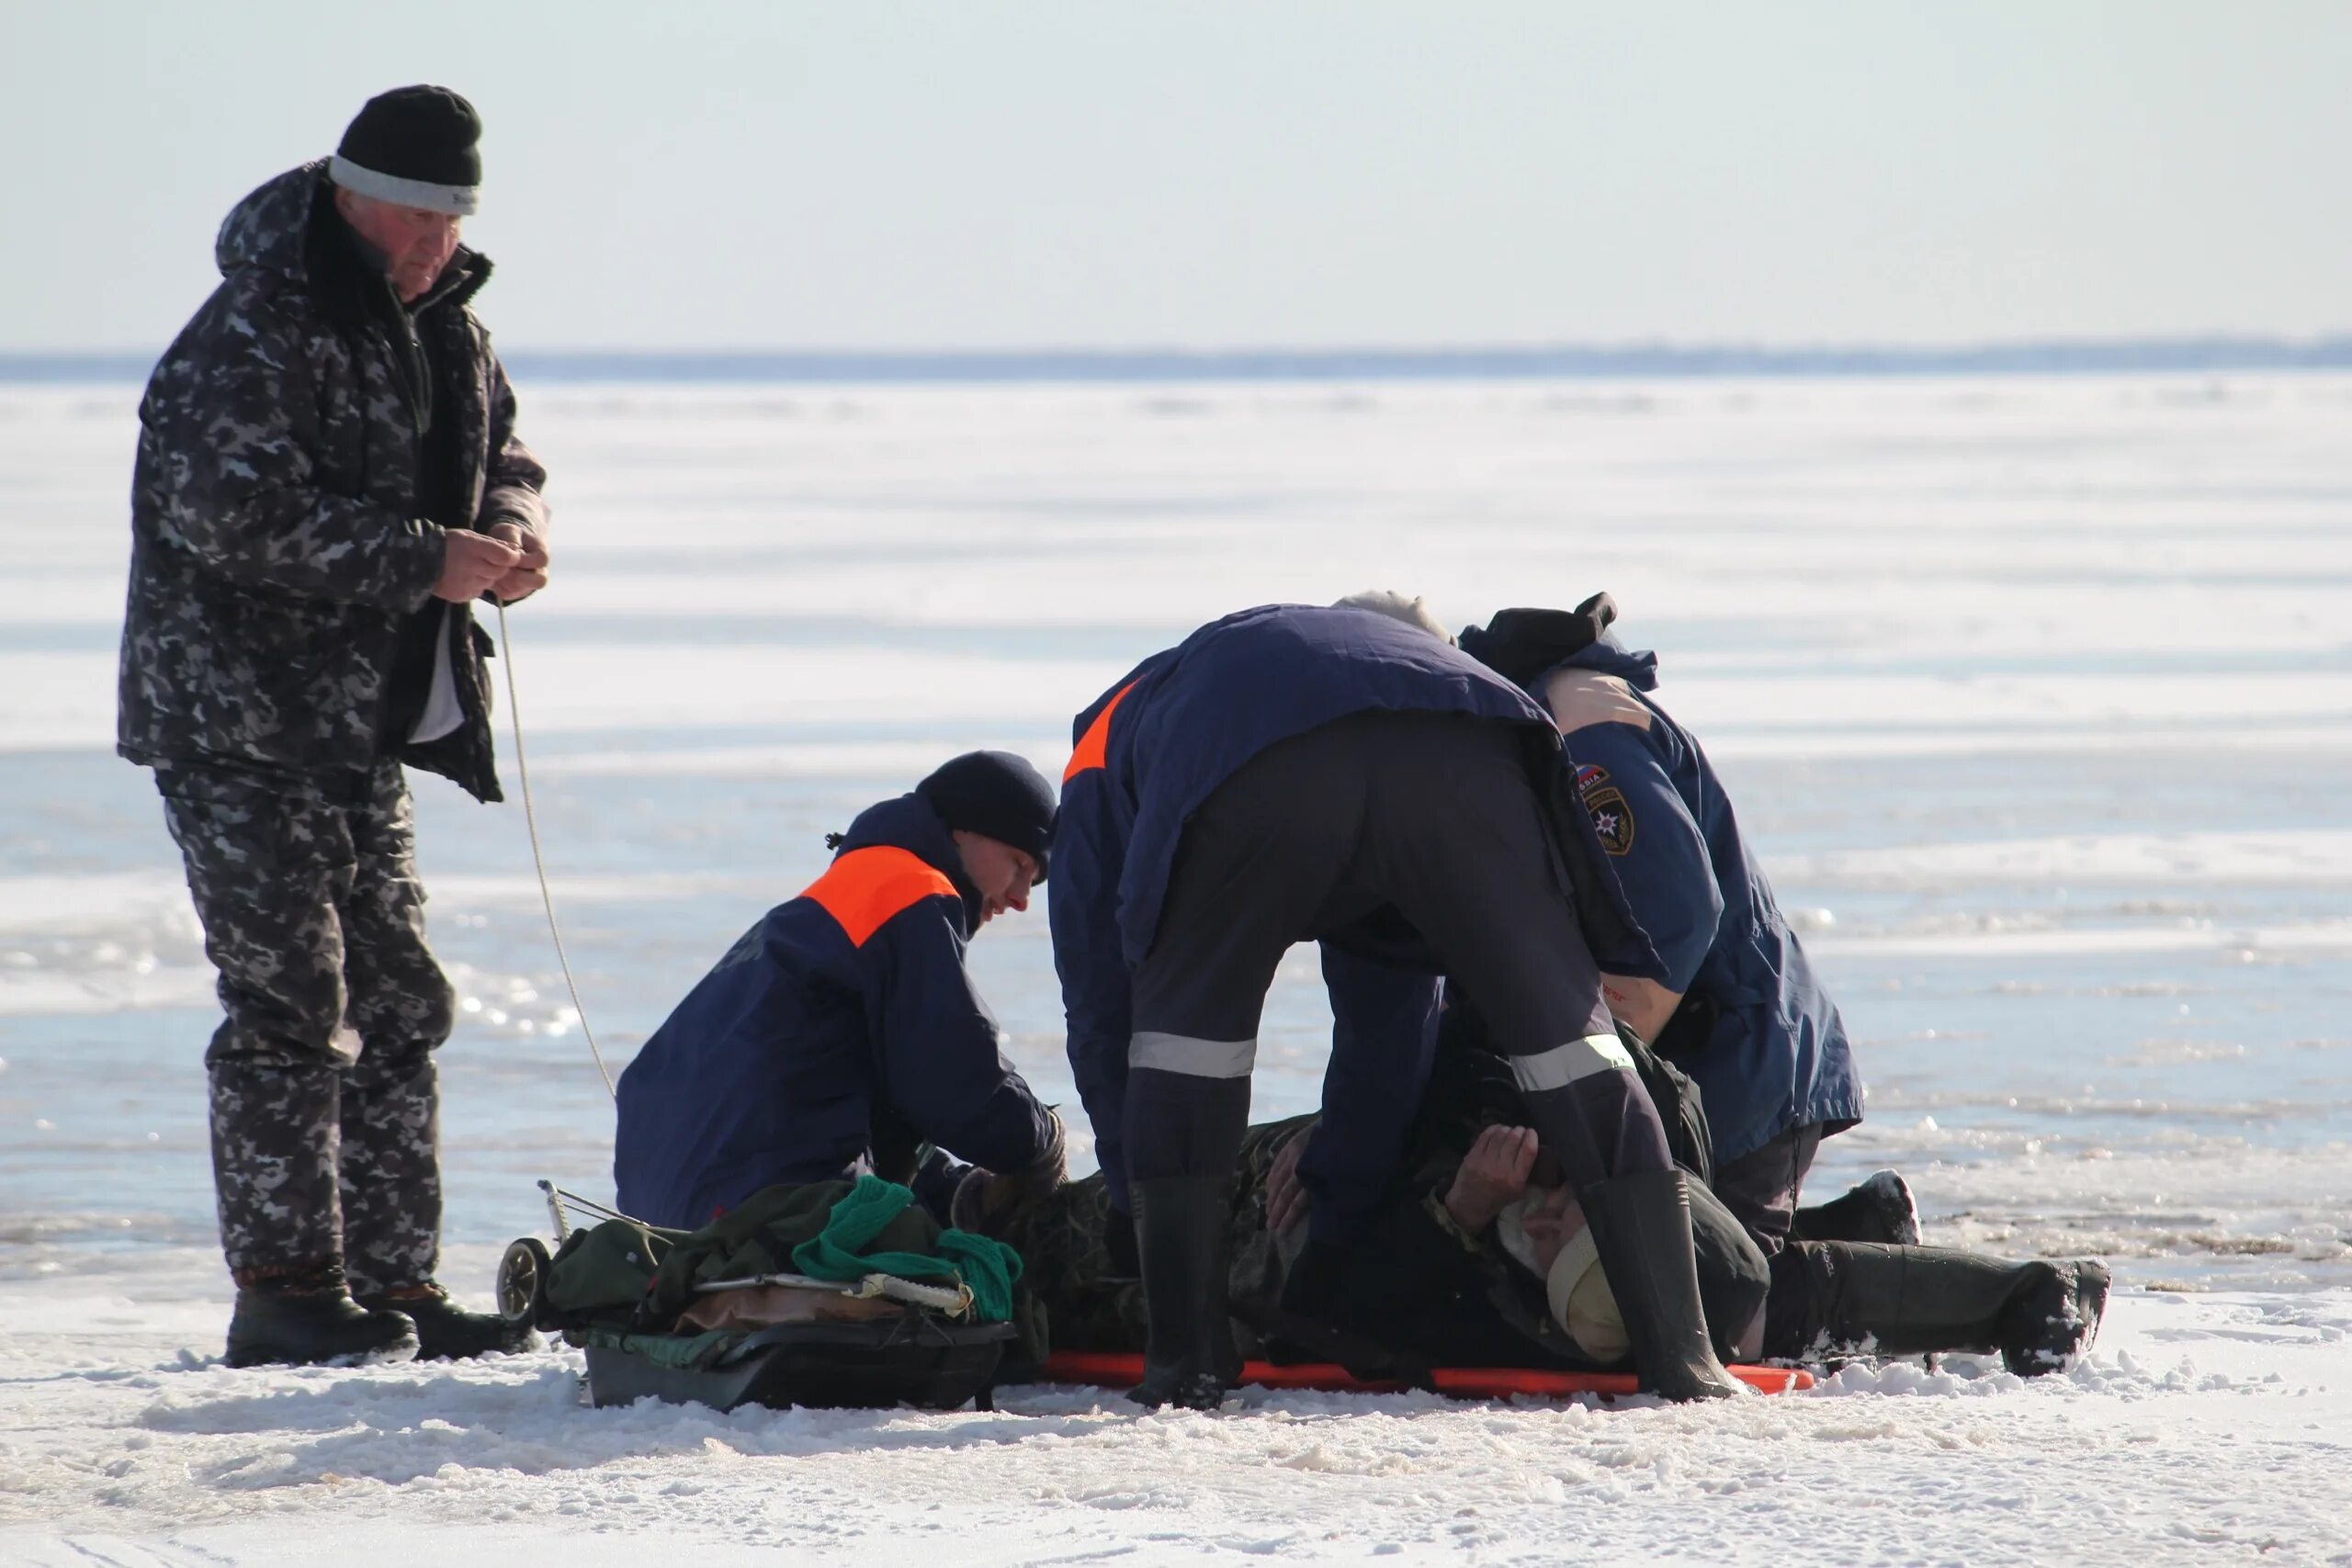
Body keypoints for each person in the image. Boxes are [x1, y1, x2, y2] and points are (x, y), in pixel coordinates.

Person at [1051, 597, 1743, 1409]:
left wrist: (1139, 1199)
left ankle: (1188, 1359)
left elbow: (1104, 1004)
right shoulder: (1425, 667)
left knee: (1184, 1049)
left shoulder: (1111, 731)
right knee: (1575, 1048)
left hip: (1245, 757)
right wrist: (1340, 1219)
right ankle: (1684, 1358)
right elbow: (1394, 1028)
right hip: (1470, 745)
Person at [120, 85, 551, 1367]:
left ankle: (393, 1279)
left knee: (403, 998)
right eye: (415, 213)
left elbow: (506, 451)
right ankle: (289, 1288)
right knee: (290, 1004)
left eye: (453, 215)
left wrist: (514, 529)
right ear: (353, 191)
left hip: (364, 722)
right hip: (238, 719)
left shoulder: (450, 327)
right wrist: (429, 559)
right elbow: (227, 514)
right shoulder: (255, 321)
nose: (433, 238)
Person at [1455, 595, 1874, 1250]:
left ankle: (1977, 1297)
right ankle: (1864, 1230)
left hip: (1737, 1068)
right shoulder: (1512, 742)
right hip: (1708, 1068)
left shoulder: (1579, 734)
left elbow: (1674, 918)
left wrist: (1587, 1110)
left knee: (1706, 1287)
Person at [614, 752, 1068, 1233]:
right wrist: (1041, 1140)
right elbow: (954, 1077)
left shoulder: (825, 905)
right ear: (963, 829)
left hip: (661, 1208)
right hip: (767, 1198)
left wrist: (949, 1190)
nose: (1021, 898)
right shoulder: (911, 890)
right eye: (1019, 864)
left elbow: (879, 1101)